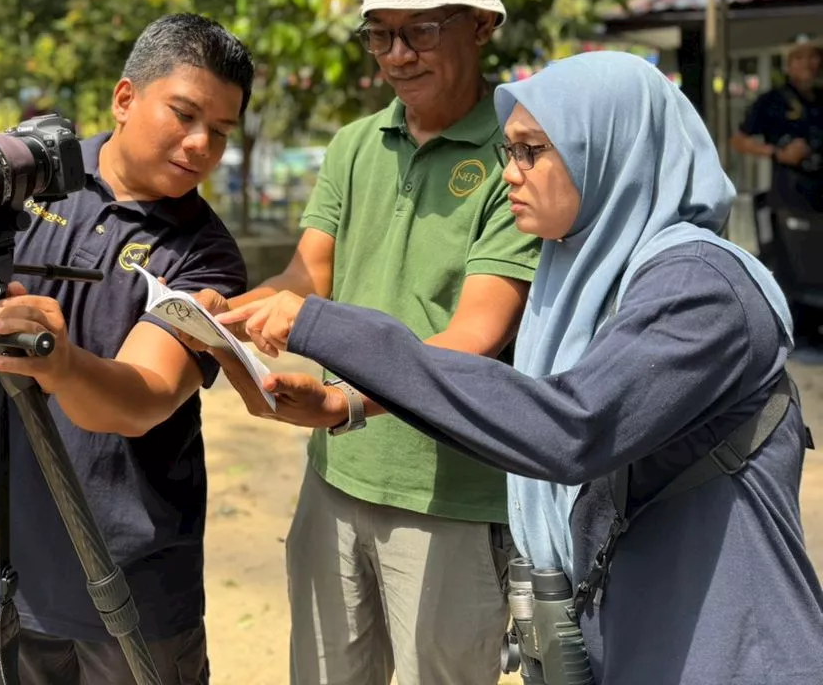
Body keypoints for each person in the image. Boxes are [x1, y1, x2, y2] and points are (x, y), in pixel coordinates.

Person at [219, 51, 823, 685]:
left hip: (726, 652)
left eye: (533, 150)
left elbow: (568, 427)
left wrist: (326, 327)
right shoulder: (582, 281)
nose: (510, 174)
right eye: (509, 150)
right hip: (632, 639)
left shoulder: (701, 289)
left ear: (607, 150)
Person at [207, 0, 543, 685]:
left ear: (483, 26)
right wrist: (220, 314)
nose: (398, 55)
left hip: (453, 492)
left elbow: (474, 338)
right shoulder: (357, 144)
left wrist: (346, 402)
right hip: (334, 479)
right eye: (380, 35)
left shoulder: (517, 153)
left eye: (420, 31)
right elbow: (306, 277)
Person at [0, 13, 254, 685]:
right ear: (124, 98)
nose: (202, 143)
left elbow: (142, 399)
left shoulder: (207, 255)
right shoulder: (21, 178)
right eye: (184, 114)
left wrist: (61, 363)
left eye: (221, 133)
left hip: (131, 582)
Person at [732, 38, 823, 212]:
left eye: (813, 56)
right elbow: (739, 141)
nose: (807, 64)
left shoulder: (820, 98)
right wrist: (779, 153)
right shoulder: (772, 100)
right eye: (799, 58)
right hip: (791, 195)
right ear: (788, 64)